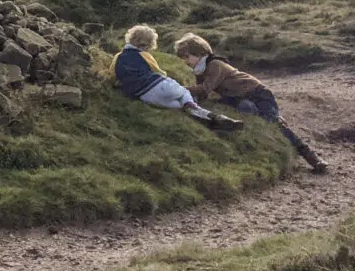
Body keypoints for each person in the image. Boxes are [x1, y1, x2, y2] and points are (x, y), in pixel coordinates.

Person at [174, 33, 328, 173]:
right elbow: (202, 94)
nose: (185, 61)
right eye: (183, 58)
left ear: (200, 52)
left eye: (187, 57)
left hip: (258, 93)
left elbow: (205, 89)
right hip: (239, 97)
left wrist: (178, 89)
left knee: (272, 122)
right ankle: (276, 125)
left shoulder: (215, 65)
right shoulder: (200, 71)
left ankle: (310, 155)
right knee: (254, 115)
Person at [111, 25, 243, 131]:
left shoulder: (118, 56)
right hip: (158, 85)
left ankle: (209, 120)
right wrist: (166, 77)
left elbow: (112, 73)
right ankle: (207, 113)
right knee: (184, 93)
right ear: (147, 45)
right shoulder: (144, 55)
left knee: (178, 106)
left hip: (144, 95)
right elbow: (158, 71)